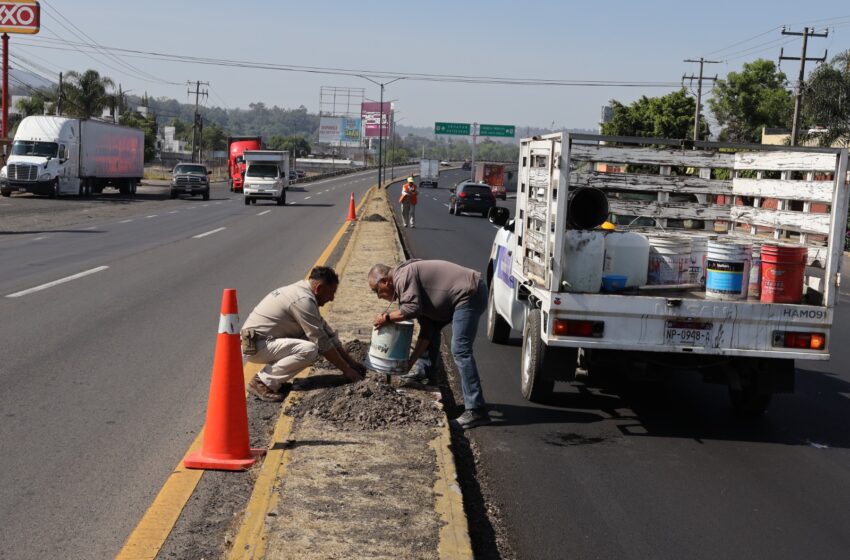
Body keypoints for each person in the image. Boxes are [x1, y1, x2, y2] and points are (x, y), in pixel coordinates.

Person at [367, 259, 490, 429]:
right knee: (430, 331)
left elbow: (411, 310)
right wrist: (409, 364)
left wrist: (387, 318)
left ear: (385, 281)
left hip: (468, 294)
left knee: (460, 350)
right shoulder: (406, 286)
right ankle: (426, 373)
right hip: (457, 298)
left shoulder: (403, 276)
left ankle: (477, 410)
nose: (379, 296)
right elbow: (426, 332)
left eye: (376, 291)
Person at [241, 266, 365, 402]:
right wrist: (347, 371)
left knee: (314, 339)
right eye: (331, 292)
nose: (332, 298)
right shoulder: (303, 300)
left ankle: (273, 381)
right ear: (319, 288)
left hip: (266, 341)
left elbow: (327, 334)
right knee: (309, 349)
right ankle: (261, 382)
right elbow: (322, 342)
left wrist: (351, 364)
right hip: (255, 346)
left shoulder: (305, 294)